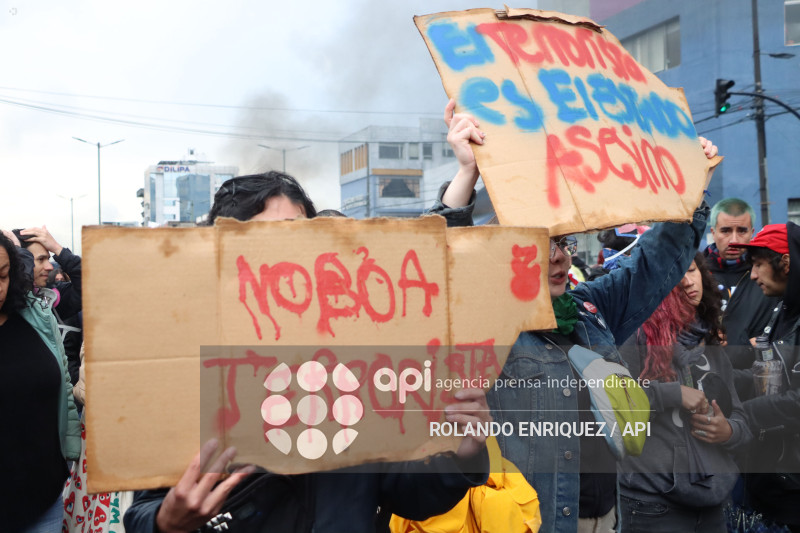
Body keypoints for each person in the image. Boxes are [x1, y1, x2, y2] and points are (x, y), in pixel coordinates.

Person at [124, 171, 492, 533]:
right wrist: (165, 521)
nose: (287, 251)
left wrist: (465, 454)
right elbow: (143, 510)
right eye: (268, 235)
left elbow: (406, 493)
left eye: (301, 233)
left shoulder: (354, 366)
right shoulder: (190, 366)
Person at [430, 99, 718, 533]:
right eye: (537, 248)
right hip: (533, 521)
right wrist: (468, 172)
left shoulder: (590, 311)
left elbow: (655, 264)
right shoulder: (487, 324)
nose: (558, 258)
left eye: (562, 243)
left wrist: (689, 185)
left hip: (607, 518)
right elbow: (444, 266)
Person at [617, 253, 752, 532]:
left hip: (713, 505)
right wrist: (672, 394)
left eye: (691, 270)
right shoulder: (634, 336)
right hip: (652, 507)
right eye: (674, 275)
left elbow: (738, 413)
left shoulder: (707, 337)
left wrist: (728, 431)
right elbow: (614, 403)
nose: (688, 281)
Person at [0, 230, 81, 532]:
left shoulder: (36, 315)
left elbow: (64, 387)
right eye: (41, 259)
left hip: (43, 499)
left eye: (3, 275)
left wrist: (69, 453)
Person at [728, 222, 800, 532]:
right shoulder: (781, 311)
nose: (753, 275)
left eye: (758, 265)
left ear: (785, 263)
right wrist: (721, 378)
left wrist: (742, 414)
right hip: (768, 485)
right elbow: (766, 375)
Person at [702, 198, 781, 373]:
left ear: (752, 232)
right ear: (713, 232)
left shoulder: (772, 277)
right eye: (726, 231)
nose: (734, 240)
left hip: (756, 378)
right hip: (706, 377)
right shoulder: (694, 275)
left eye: (742, 231)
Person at [13, 225, 84, 385]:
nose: (50, 266)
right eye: (40, 260)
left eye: (49, 257)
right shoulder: (9, 305)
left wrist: (58, 249)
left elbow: (89, 283)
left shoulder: (51, 299)